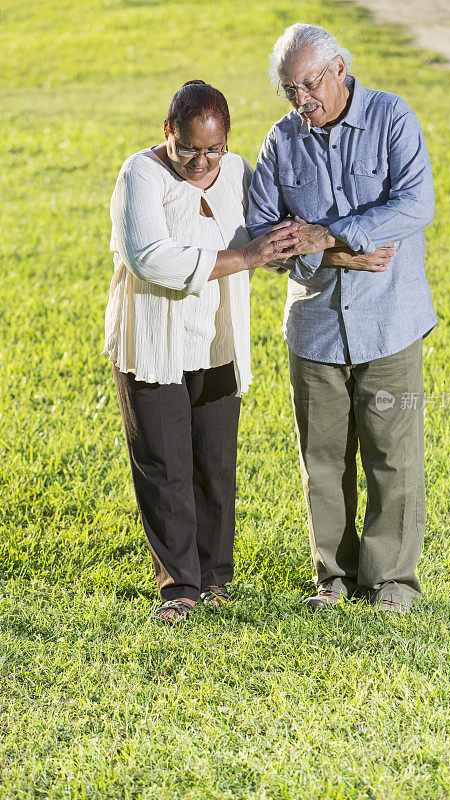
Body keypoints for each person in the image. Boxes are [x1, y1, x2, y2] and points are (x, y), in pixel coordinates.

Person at [246, 24, 438, 614]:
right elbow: (261, 231)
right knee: (323, 461)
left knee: (392, 456)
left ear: (341, 69)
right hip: (316, 327)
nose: (302, 99)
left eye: (309, 83)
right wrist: (332, 253)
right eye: (289, 89)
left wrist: (327, 231)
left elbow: (415, 203)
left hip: (390, 322)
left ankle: (391, 584)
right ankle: (333, 576)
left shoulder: (392, 117)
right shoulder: (281, 143)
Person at [103, 80, 298, 623]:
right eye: (188, 147)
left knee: (215, 464)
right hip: (153, 342)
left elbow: (269, 238)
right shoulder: (139, 174)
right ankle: (179, 587)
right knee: (165, 466)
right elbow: (153, 259)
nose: (200, 161)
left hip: (217, 338)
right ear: (168, 131)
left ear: (227, 143)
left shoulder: (237, 172)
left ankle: (213, 578)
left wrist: (327, 253)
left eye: (213, 149)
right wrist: (244, 257)